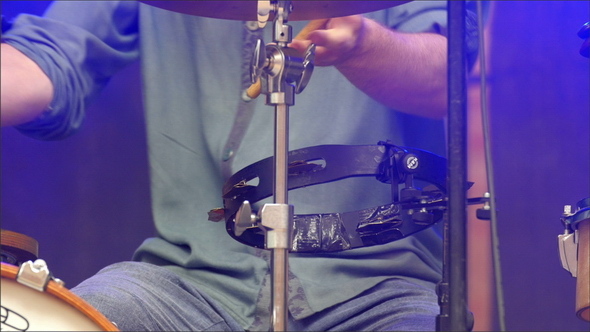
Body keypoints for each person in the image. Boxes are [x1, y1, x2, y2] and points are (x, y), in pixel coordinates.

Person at [1, 1, 482, 331]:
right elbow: (47, 57)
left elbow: (445, 77)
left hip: (378, 286)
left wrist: (362, 45)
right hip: (186, 279)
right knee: (68, 319)